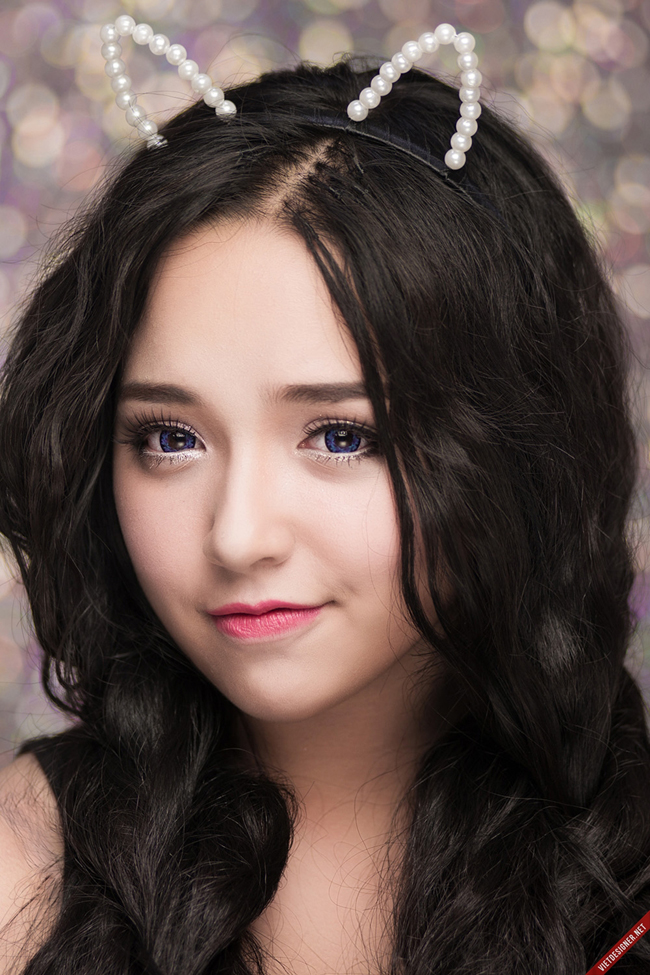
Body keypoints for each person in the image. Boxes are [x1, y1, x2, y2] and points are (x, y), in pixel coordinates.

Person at [0, 36, 649, 975]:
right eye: (170, 438)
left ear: (512, 445)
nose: (238, 535)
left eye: (340, 435)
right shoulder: (24, 870)